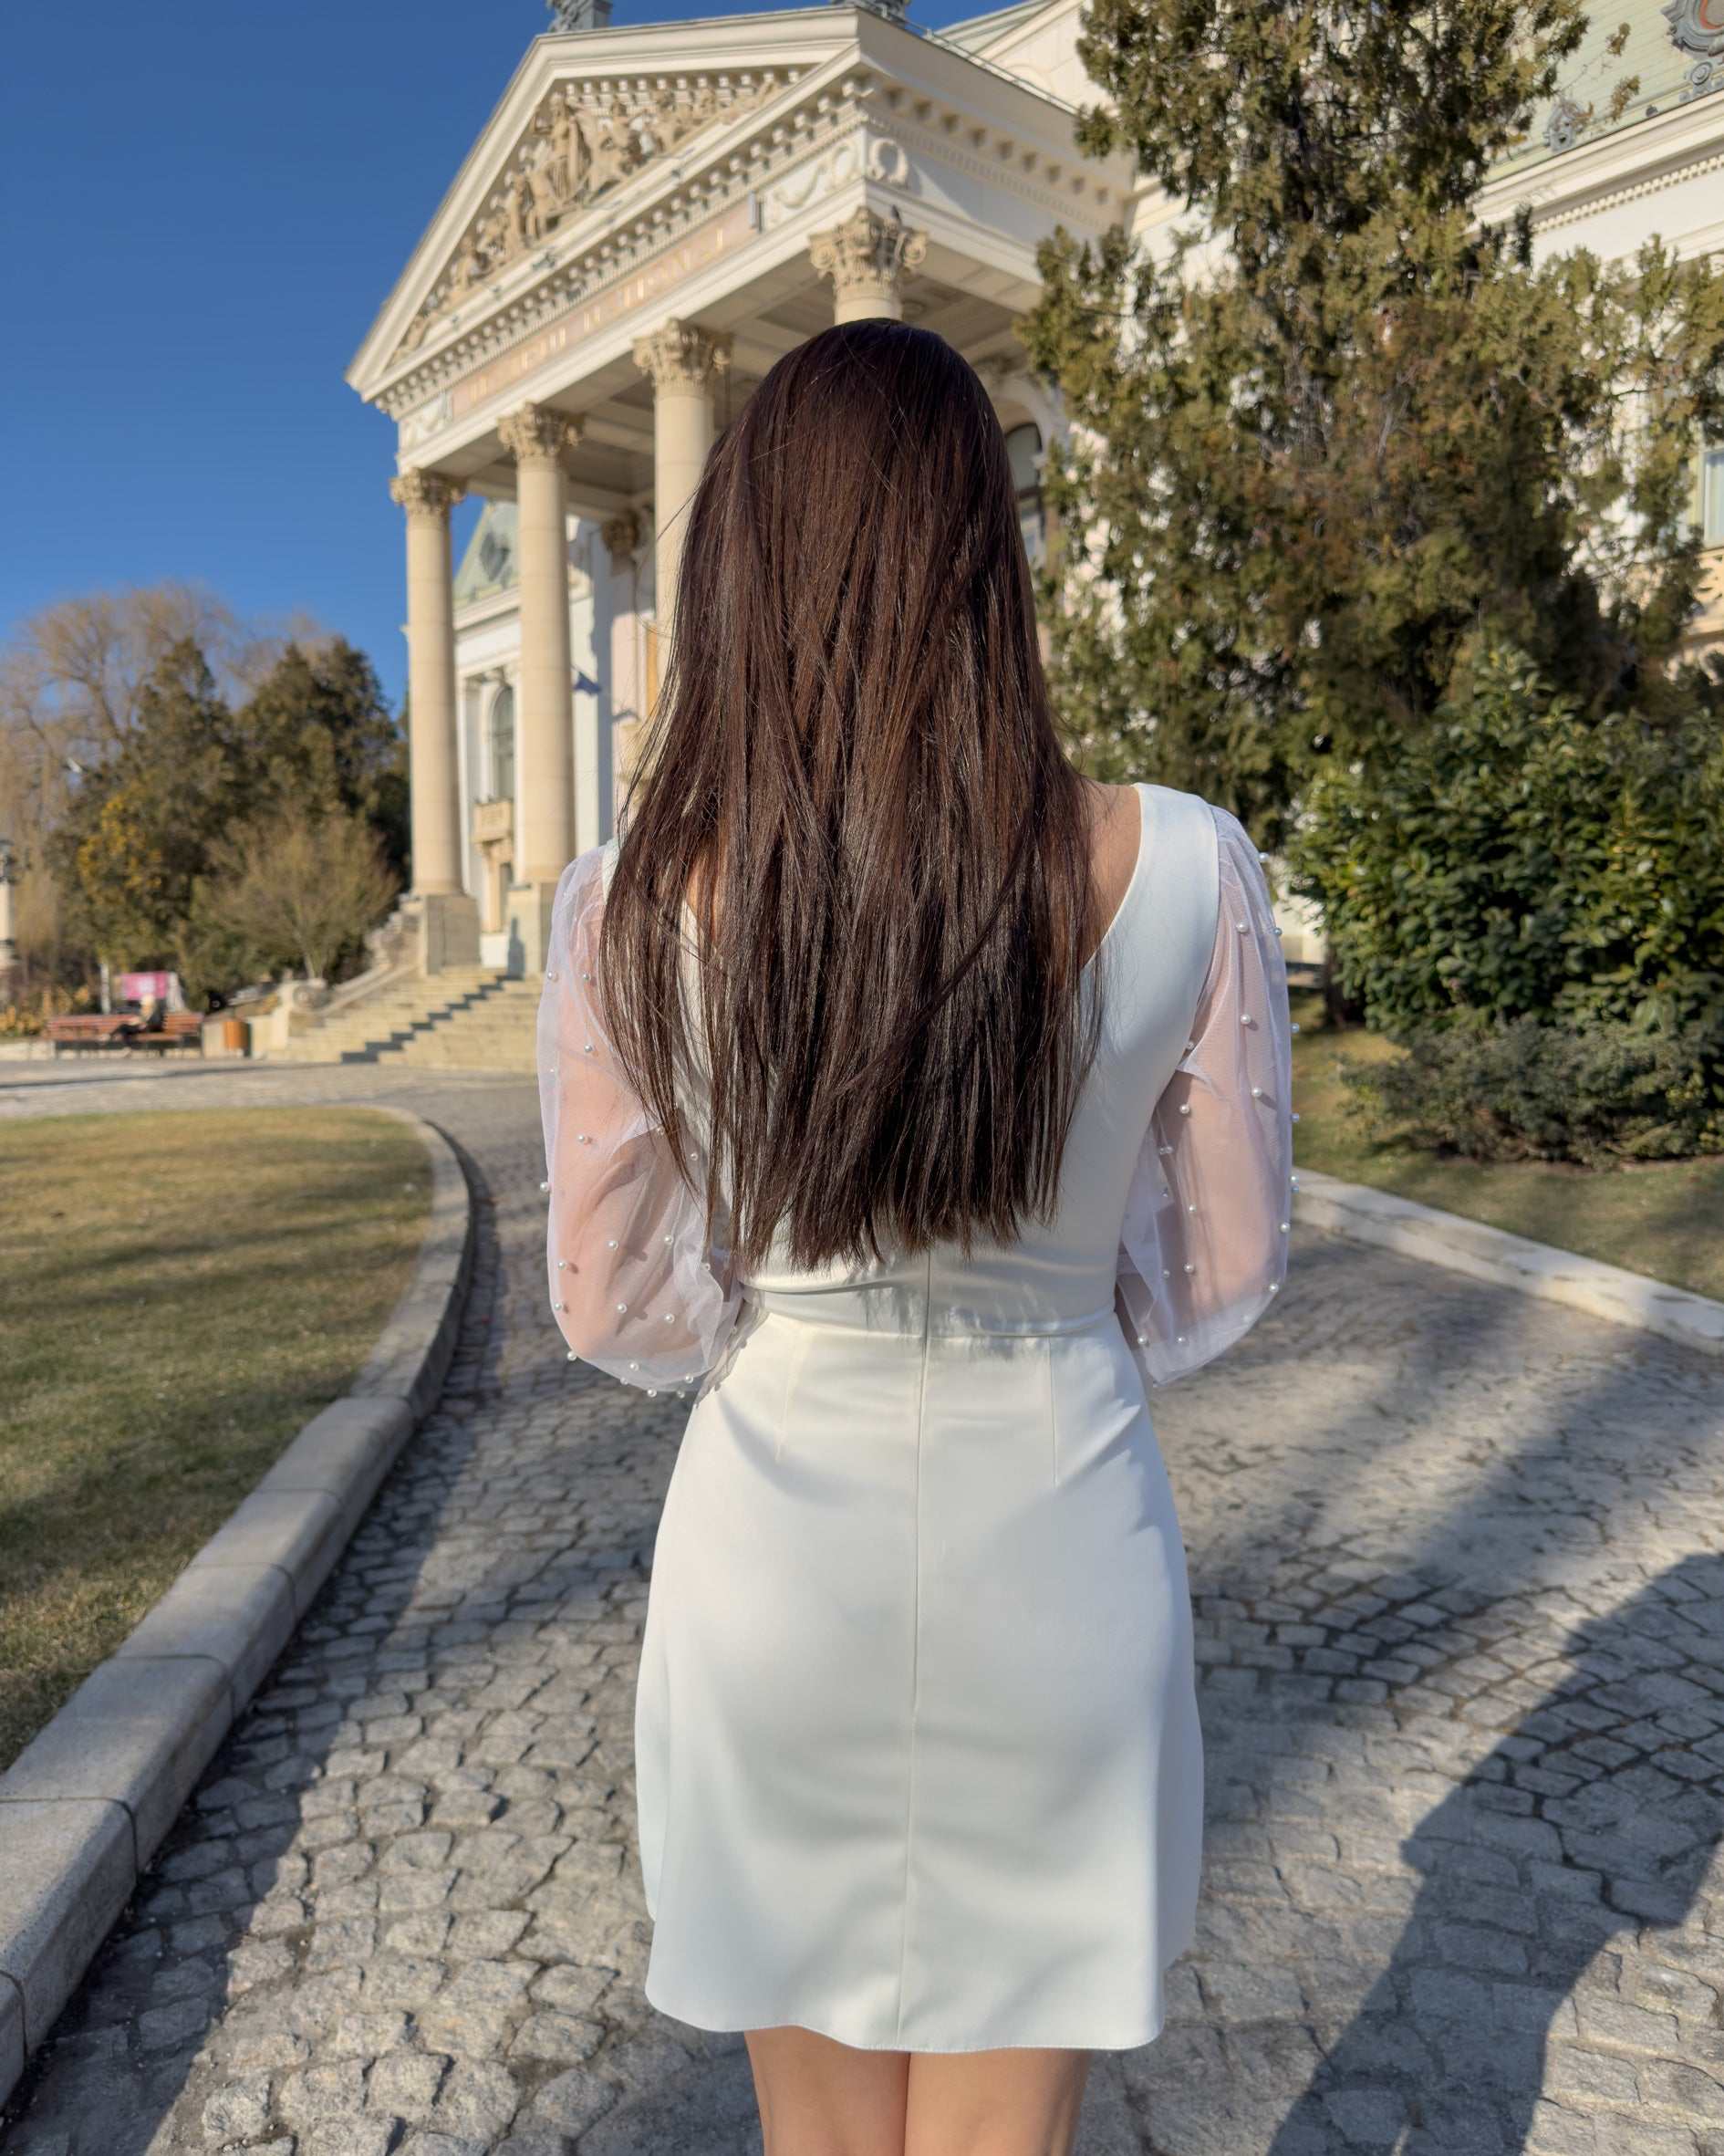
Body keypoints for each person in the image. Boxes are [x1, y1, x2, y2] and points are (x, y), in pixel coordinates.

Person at [537, 322, 1293, 2156]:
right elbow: (1220, 1264)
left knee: (817, 2143)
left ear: (744, 566)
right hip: (1064, 1524)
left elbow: (618, 1298)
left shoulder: (631, 905)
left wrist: (786, 1291)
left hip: (776, 1550)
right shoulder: (1186, 863)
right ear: (990, 555)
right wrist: (1053, 1298)